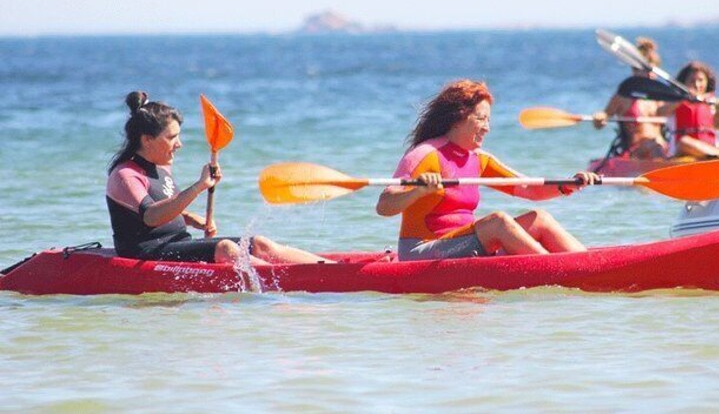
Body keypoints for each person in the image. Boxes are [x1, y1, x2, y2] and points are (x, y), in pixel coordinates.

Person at [376, 80, 597, 261]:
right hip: (422, 252)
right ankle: (558, 271)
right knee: (497, 222)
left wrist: (569, 185)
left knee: (540, 219)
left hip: (463, 246)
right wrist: (418, 191)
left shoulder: (479, 160)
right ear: (458, 117)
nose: (487, 128)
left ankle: (589, 265)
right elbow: (384, 205)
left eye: (489, 120)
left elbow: (529, 189)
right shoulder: (425, 154)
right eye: (481, 119)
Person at [107, 91, 329, 264]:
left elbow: (169, 207)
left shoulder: (161, 166)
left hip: (177, 243)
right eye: (171, 137)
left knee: (260, 244)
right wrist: (199, 186)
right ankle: (285, 280)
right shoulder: (125, 175)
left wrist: (194, 220)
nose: (179, 144)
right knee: (226, 249)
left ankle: (328, 267)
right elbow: (151, 216)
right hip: (146, 253)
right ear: (147, 140)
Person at [593, 37, 668, 159]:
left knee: (658, 145)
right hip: (635, 151)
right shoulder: (624, 95)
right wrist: (600, 117)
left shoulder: (660, 97)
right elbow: (602, 120)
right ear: (634, 70)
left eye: (653, 71)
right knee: (653, 145)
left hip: (661, 148)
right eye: (645, 70)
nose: (650, 75)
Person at [658, 61, 719, 159]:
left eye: (701, 80)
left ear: (707, 82)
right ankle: (717, 154)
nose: (697, 85)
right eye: (692, 81)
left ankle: (716, 155)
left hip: (706, 153)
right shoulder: (675, 102)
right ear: (684, 83)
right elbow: (660, 112)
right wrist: (683, 99)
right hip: (681, 154)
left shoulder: (712, 103)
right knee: (684, 142)